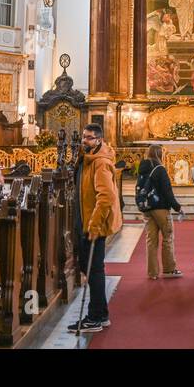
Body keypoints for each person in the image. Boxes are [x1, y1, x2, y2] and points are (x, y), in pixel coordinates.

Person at [67, 123, 121, 334]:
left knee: (93, 270)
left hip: (93, 225)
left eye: (89, 138)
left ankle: (95, 317)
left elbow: (106, 196)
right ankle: (101, 314)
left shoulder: (100, 163)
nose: (84, 141)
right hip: (86, 221)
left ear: (99, 140)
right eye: (83, 137)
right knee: (90, 268)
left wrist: (95, 225)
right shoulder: (87, 159)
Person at [137, 145, 183, 279]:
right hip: (161, 208)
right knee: (167, 238)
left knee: (151, 240)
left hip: (147, 208)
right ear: (159, 154)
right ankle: (169, 270)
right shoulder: (160, 169)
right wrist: (177, 207)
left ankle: (152, 273)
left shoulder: (142, 167)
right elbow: (167, 191)